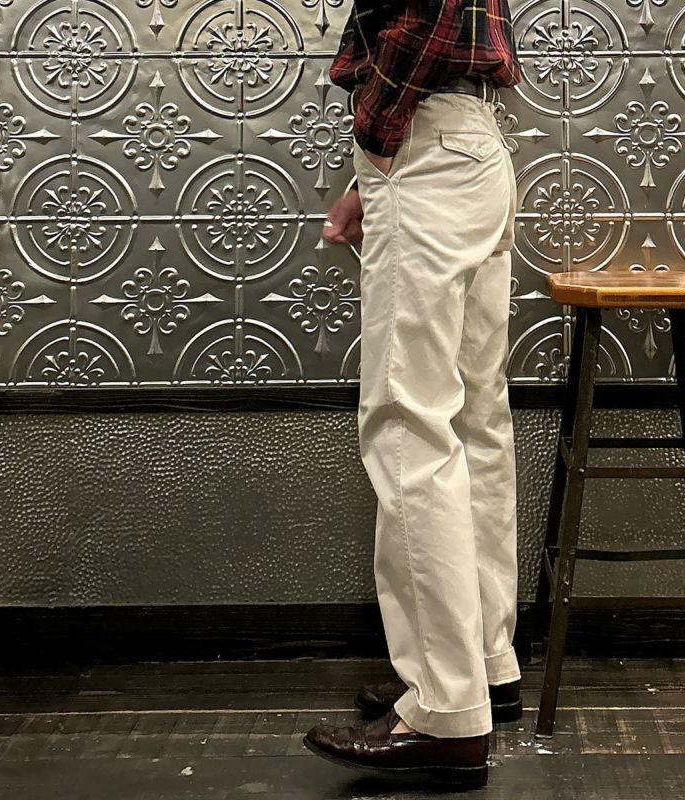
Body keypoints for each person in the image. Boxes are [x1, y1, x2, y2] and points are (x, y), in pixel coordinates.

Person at [304, 0, 522, 789]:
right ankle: (485, 664)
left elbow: (430, 14)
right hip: (473, 143)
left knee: (410, 426)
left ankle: (444, 711)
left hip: (430, 151)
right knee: (475, 418)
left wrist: (379, 139)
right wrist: (376, 176)